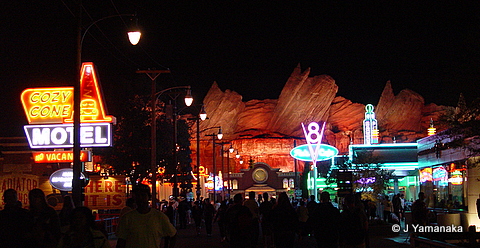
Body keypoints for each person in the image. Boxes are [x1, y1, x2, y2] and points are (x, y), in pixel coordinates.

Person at [116, 184, 176, 248]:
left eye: (143, 195)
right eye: (138, 196)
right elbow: (121, 241)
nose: (140, 198)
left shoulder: (159, 216)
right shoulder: (127, 218)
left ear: (148, 197)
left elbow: (173, 234)